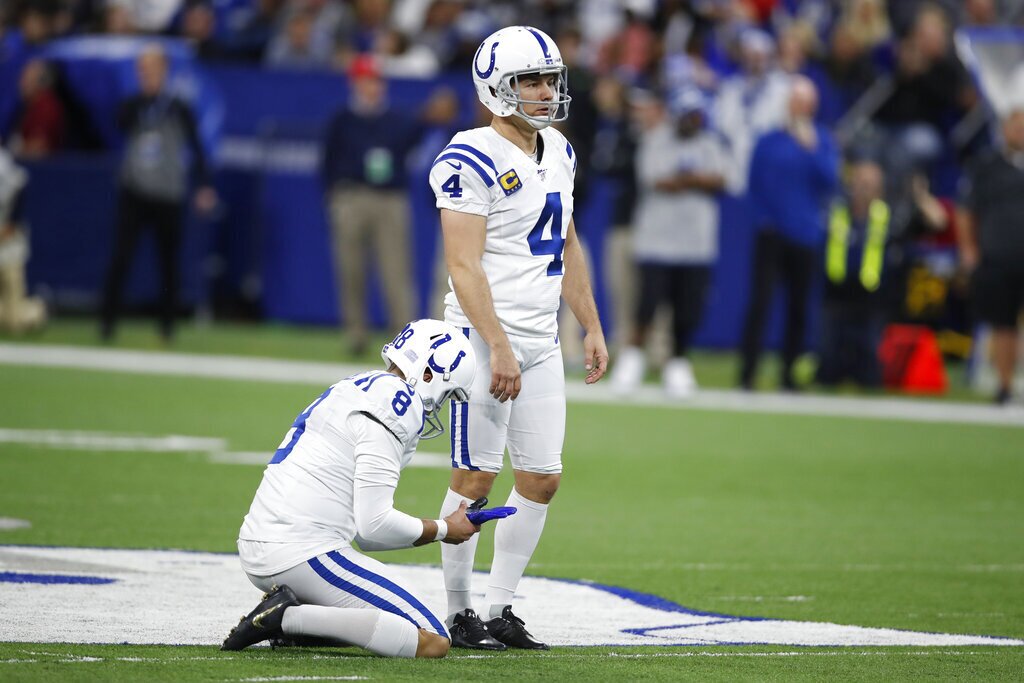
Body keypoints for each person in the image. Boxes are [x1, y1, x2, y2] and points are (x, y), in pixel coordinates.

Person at [427, 26, 609, 651]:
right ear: (495, 88)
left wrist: (590, 323)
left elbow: (567, 242)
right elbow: (463, 266)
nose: (545, 91)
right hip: (482, 340)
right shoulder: (468, 156)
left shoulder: (558, 148)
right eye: (531, 80)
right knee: (474, 479)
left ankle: (501, 607)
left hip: (540, 339)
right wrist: (498, 345)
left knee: (541, 478)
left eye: (550, 79)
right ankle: (458, 611)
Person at [222, 318, 480, 658]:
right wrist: (445, 529)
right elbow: (374, 526)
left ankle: (296, 619)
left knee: (377, 621)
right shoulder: (397, 401)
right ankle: (287, 618)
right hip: (304, 551)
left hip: (264, 542)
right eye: (446, 394)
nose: (438, 405)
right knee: (433, 639)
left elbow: (367, 533)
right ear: (429, 374)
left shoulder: (359, 383)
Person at [611, 88, 727, 398]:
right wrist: (696, 180)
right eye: (688, 116)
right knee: (646, 306)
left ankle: (678, 363)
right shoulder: (656, 140)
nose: (692, 122)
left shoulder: (710, 143)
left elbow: (723, 179)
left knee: (687, 310)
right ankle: (633, 359)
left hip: (696, 245)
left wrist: (687, 179)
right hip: (657, 242)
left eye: (696, 116)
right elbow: (655, 179)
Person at [99, 45, 216, 343]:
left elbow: (197, 147)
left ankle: (167, 327)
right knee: (121, 256)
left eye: (153, 69)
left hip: (168, 192)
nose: (147, 75)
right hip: (135, 190)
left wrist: (204, 185)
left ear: (164, 71)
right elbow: (116, 127)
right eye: (143, 70)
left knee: (169, 262)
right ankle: (107, 323)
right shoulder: (132, 105)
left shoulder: (179, 107)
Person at [739, 76, 840, 391]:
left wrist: (812, 148)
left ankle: (789, 374)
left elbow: (830, 181)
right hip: (771, 234)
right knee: (761, 303)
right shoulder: (769, 140)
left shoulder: (821, 141)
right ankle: (748, 373)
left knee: (798, 307)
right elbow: (753, 184)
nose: (799, 107)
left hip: (805, 235)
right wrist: (763, 220)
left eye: (804, 101)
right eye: (795, 100)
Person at [321, 55, 421, 356]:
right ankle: (356, 334)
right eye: (365, 81)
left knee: (396, 270)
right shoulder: (342, 120)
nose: (371, 87)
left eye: (375, 81)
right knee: (350, 269)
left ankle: (404, 337)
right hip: (351, 196)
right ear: (355, 83)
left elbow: (410, 147)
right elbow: (327, 162)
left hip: (389, 199)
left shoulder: (397, 119)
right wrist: (334, 199)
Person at [957, 107, 1024, 405]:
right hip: (998, 256)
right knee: (1003, 323)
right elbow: (965, 210)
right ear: (1004, 130)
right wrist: (968, 248)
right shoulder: (986, 165)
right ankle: (1005, 386)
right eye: (1016, 127)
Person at [815, 159, 891, 388]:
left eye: (869, 184)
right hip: (836, 294)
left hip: (871, 299)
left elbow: (935, 222)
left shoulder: (888, 216)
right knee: (827, 371)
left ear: (879, 189)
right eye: (859, 182)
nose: (863, 189)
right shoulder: (835, 212)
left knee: (870, 374)